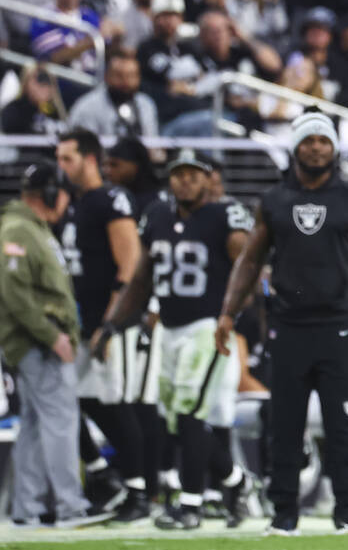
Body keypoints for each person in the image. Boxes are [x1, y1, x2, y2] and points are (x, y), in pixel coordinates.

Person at [215, 111, 348, 536]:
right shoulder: (273, 200)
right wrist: (227, 312)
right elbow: (249, 261)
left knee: (342, 423)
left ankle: (347, 513)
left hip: (337, 326)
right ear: (295, 146)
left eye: (324, 141)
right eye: (309, 140)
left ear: (334, 148)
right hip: (288, 327)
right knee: (284, 424)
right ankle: (283, 515)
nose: (316, 147)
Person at [95, 150, 253, 530]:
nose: (185, 180)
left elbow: (248, 267)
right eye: (179, 174)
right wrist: (113, 324)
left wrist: (231, 316)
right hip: (170, 327)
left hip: (207, 327)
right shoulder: (158, 215)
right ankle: (236, 482)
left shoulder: (225, 216)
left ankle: (192, 505)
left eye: (193, 174)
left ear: (207, 178)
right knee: (177, 421)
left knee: (189, 413)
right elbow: (141, 279)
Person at [0, 163, 114, 529]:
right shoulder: (18, 230)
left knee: (35, 424)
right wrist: (53, 337)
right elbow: (14, 293)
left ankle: (26, 508)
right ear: (52, 194)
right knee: (61, 421)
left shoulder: (31, 229)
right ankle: (70, 506)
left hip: (38, 341)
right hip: (39, 342)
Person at [55, 129, 149, 522]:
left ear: (90, 159)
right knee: (68, 401)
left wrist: (110, 324)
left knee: (115, 405)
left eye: (68, 159)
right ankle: (102, 476)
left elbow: (130, 265)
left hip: (108, 323)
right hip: (79, 322)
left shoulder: (111, 199)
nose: (62, 167)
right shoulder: (74, 204)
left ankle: (138, 491)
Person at [66, 49, 159, 138]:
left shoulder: (146, 104)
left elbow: (152, 144)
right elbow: (85, 149)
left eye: (131, 76)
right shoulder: (87, 107)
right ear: (106, 77)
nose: (126, 81)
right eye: (119, 75)